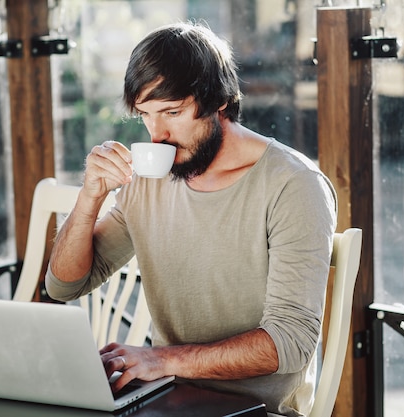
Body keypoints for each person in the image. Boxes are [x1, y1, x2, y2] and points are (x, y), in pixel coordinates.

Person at [45, 21, 337, 417]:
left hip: (257, 410)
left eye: (173, 111)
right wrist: (90, 197)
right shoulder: (151, 180)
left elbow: (290, 341)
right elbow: (65, 285)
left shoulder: (294, 185)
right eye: (146, 115)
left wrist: (162, 359)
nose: (157, 133)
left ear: (218, 101)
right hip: (164, 399)